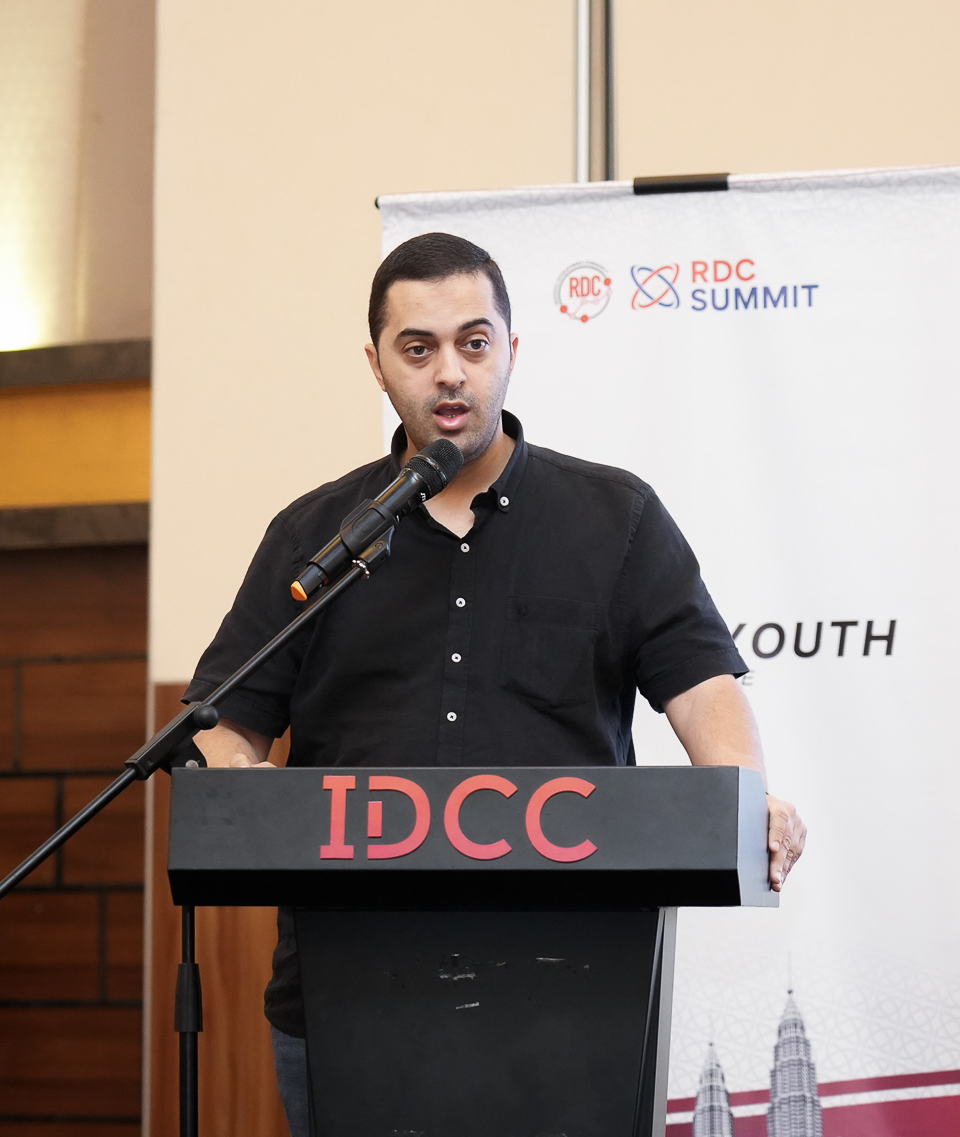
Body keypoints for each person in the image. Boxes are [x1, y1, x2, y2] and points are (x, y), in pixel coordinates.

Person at [185, 231, 807, 1136]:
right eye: (418, 347)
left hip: (575, 996)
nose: (450, 371)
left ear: (512, 349)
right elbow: (225, 715)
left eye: (473, 343)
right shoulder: (313, 537)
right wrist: (237, 780)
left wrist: (746, 793)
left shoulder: (616, 518)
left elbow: (700, 683)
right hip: (348, 995)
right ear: (376, 364)